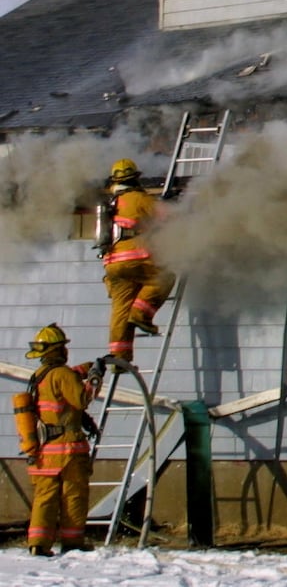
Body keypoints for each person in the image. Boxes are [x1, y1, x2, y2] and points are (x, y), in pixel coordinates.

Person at [15, 324, 101, 556]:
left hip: (44, 451)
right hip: (68, 450)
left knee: (45, 499)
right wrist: (94, 377)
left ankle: (38, 545)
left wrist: (82, 371)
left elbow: (61, 396)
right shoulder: (62, 374)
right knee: (73, 495)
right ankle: (72, 543)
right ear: (58, 350)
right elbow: (82, 398)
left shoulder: (40, 377)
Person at [100, 158, 176, 364]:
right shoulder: (138, 199)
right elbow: (169, 217)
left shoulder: (111, 203)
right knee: (165, 277)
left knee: (120, 308)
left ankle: (119, 358)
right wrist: (169, 201)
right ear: (135, 178)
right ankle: (142, 314)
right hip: (135, 257)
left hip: (112, 264)